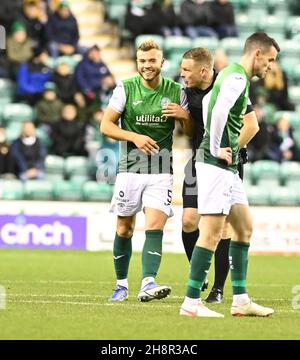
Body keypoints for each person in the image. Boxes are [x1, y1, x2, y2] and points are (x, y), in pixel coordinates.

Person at [179, 32, 280, 317]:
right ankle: (191, 303)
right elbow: (219, 110)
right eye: (269, 60)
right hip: (215, 165)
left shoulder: (231, 75)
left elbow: (212, 103)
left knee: (244, 226)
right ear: (257, 54)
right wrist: (216, 147)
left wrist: (230, 149)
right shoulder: (236, 78)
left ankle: (241, 300)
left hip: (227, 167)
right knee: (211, 232)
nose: (270, 67)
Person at [100, 40, 193, 303]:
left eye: (152, 61)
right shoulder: (125, 88)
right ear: (137, 63)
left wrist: (184, 116)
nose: (147, 66)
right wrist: (135, 137)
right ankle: (121, 285)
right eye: (142, 61)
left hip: (161, 170)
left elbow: (192, 133)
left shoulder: (177, 91)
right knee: (124, 228)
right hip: (129, 170)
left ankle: (148, 282)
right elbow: (106, 126)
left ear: (162, 62)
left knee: (155, 227)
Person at [178, 47, 257, 303]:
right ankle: (199, 278)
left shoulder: (228, 84)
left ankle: (219, 290)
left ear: (204, 70)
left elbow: (252, 125)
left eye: (187, 70)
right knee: (189, 221)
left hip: (225, 162)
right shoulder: (186, 93)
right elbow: (190, 130)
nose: (182, 75)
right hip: (199, 160)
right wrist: (184, 117)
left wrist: (234, 150)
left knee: (224, 228)